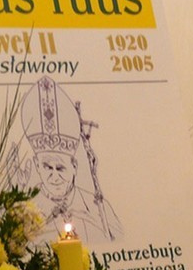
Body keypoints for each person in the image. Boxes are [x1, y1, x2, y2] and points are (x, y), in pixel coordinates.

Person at [17, 76, 123, 243]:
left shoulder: (95, 206)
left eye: (60, 168)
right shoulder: (25, 210)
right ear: (37, 165)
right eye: (47, 167)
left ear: (74, 166)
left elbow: (118, 241)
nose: (54, 176)